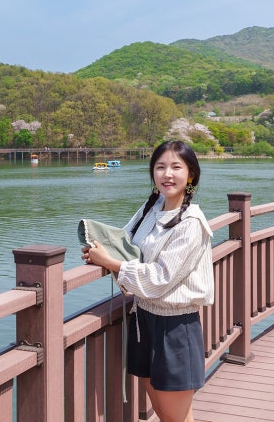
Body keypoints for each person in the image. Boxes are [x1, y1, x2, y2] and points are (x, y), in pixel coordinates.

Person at [81, 140, 214, 422]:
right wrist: (99, 252)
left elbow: (160, 279)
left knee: (175, 419)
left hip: (175, 327)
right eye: (160, 167)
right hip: (144, 319)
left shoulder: (191, 223)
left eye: (176, 167)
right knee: (172, 417)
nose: (167, 174)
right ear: (153, 173)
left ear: (190, 174)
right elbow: (126, 244)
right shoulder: (151, 207)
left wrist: (111, 263)